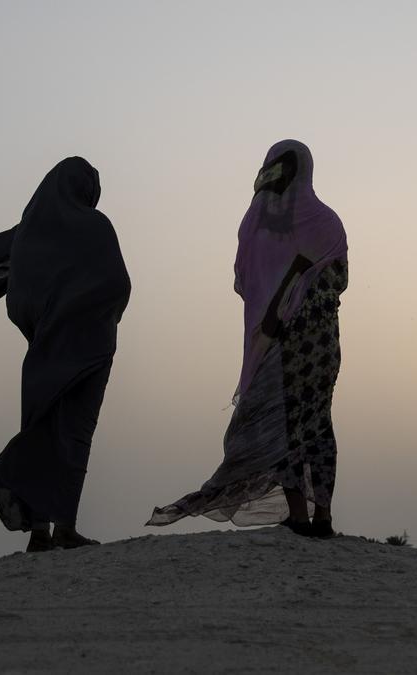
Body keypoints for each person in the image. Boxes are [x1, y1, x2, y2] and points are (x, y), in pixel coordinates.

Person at [147, 140, 347, 538]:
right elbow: (341, 280)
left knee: (285, 423)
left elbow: (244, 282)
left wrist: (285, 289)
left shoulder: (258, 225)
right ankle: (319, 516)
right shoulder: (326, 221)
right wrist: (304, 281)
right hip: (319, 341)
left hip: (277, 340)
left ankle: (302, 516)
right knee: (315, 424)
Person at [0, 157, 130, 552]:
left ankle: (40, 531)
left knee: (40, 427)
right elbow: (116, 282)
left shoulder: (27, 236)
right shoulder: (95, 226)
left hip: (42, 352)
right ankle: (64, 527)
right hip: (89, 349)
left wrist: (41, 322)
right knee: (74, 434)